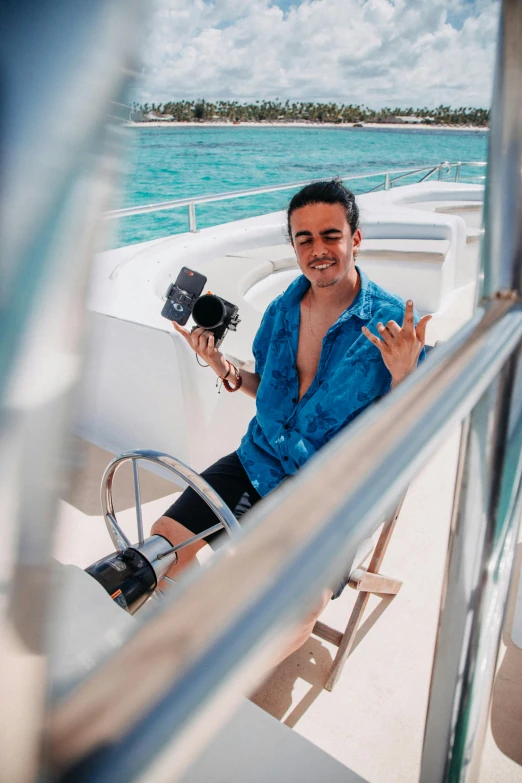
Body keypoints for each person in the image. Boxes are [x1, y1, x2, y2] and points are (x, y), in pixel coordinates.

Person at [151, 179, 431, 661]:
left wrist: (406, 377)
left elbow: (410, 432)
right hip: (258, 459)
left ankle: (222, 685)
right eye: (305, 238)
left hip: (332, 490)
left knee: (289, 616)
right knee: (164, 544)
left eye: (330, 235)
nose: (318, 250)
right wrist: (222, 366)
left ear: (354, 239)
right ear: (294, 246)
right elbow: (271, 389)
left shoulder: (392, 326)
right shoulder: (281, 311)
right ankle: (198, 640)